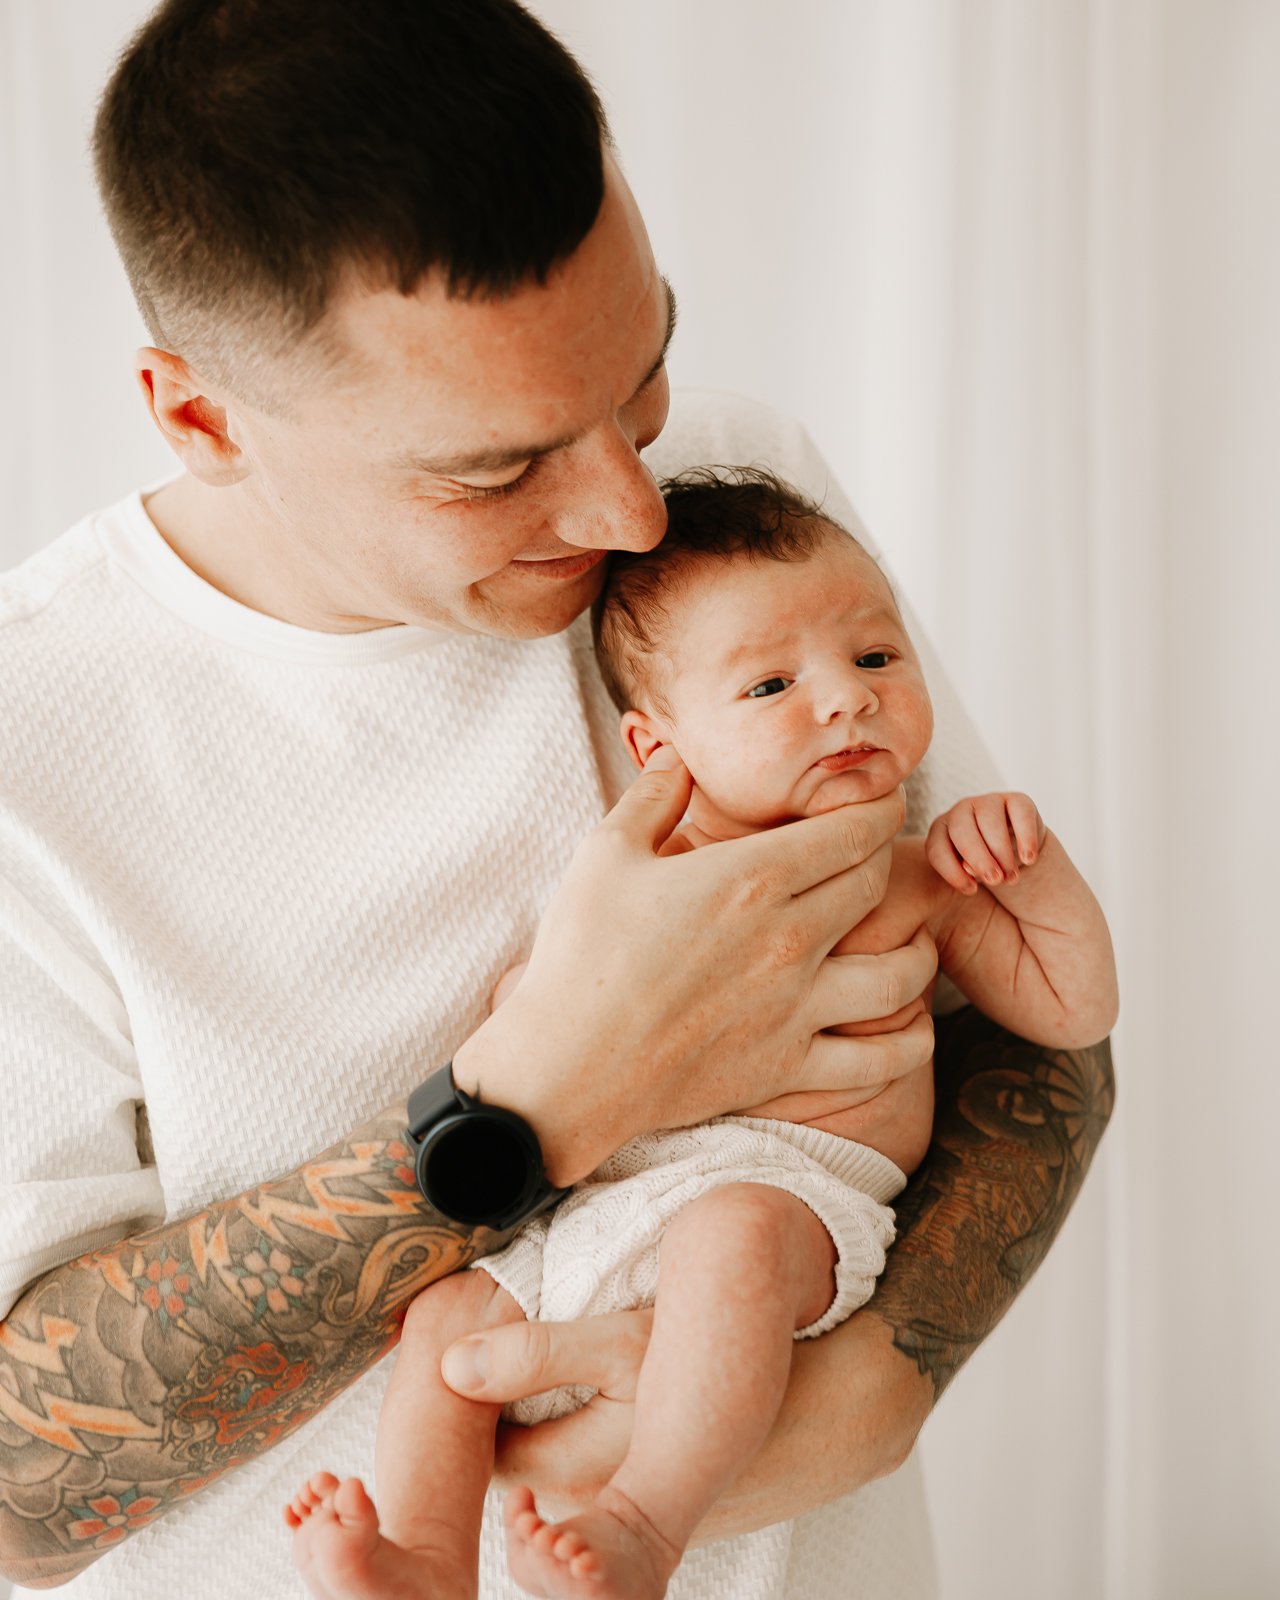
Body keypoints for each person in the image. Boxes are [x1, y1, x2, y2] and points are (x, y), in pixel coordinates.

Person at [0, 3, 1114, 1598]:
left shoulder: (736, 504)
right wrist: (535, 1102)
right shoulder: (30, 750)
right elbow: (17, 1487)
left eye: (644, 376)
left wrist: (890, 1378)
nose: (628, 505)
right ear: (199, 413)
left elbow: (1026, 1024)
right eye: (496, 468)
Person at [283, 469, 1119, 1600]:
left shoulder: (917, 875)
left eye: (874, 657)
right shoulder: (643, 890)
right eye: (772, 682)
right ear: (657, 748)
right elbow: (543, 1024)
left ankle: (640, 1527)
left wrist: (1033, 870)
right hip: (600, 1211)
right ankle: (428, 1560)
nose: (844, 699)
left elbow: (1071, 1012)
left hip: (794, 1200)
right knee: (445, 1319)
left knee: (726, 1239)